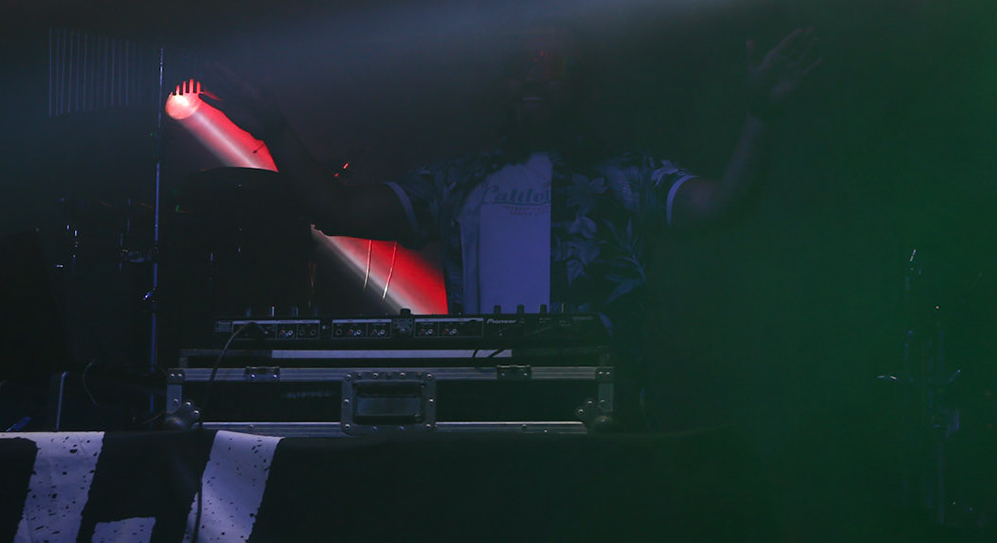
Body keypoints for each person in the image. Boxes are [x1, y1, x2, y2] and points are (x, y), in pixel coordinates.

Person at [205, 26, 819, 360]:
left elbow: (724, 204)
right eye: (522, 64)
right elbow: (336, 210)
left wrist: (761, 119)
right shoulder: (459, 180)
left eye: (553, 66)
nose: (534, 76)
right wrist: (277, 132)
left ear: (580, 86)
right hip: (487, 405)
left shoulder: (625, 176)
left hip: (602, 414)